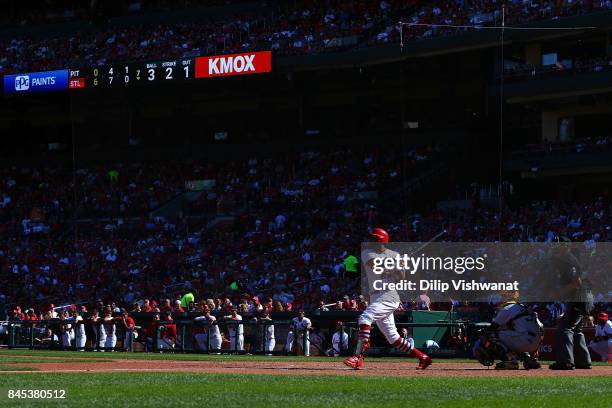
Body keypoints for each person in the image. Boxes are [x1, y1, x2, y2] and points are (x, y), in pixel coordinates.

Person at [344, 228, 431, 370]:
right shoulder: (367, 253)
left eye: (374, 239)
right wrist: (396, 264)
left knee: (365, 318)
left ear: (381, 241)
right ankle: (423, 357)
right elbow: (376, 265)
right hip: (375, 296)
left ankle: (358, 356)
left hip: (388, 295)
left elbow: (400, 278)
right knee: (393, 337)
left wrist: (401, 266)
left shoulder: (395, 255)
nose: (371, 241)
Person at [549, 242, 594, 370]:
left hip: (578, 298)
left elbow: (576, 283)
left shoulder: (568, 260)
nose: (555, 247)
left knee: (565, 327)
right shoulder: (568, 258)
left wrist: (558, 292)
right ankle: (583, 361)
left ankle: (566, 362)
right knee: (576, 330)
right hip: (583, 297)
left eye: (559, 245)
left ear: (566, 246)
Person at [475, 292, 543, 370]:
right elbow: (541, 328)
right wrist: (536, 348)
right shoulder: (525, 308)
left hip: (524, 339)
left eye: (503, 297)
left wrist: (484, 338)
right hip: (534, 342)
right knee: (511, 337)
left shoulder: (507, 308)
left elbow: (492, 328)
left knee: (491, 335)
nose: (501, 299)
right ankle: (529, 359)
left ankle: (510, 361)